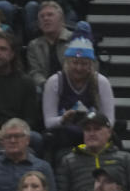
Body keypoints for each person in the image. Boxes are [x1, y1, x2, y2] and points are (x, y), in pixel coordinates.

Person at [42, 24, 115, 154]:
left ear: (91, 65)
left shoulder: (101, 82)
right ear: (67, 63)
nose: (79, 68)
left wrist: (92, 124)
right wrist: (63, 119)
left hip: (95, 135)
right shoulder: (55, 82)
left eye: (84, 64)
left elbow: (109, 121)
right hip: (65, 136)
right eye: (75, 63)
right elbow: (48, 122)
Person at [26, 1, 73, 88]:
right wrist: (47, 85)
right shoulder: (33, 45)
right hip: (45, 88)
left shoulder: (74, 40)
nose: (45, 18)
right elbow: (35, 72)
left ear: (61, 20)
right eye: (42, 16)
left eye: (50, 15)